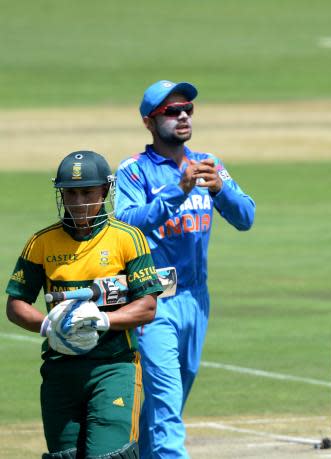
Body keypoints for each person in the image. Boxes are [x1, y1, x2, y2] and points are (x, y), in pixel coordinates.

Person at [115, 80, 256, 458]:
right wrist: (177, 191)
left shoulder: (209, 164)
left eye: (187, 110)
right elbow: (126, 222)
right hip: (153, 301)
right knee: (165, 403)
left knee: (169, 406)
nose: (182, 117)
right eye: (171, 112)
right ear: (149, 121)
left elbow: (246, 217)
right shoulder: (135, 171)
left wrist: (219, 190)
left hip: (197, 299)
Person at [6, 150, 162, 458]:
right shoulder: (41, 243)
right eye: (71, 193)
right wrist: (49, 324)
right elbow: (16, 304)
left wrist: (104, 321)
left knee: (110, 455)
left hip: (113, 367)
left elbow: (147, 306)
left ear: (105, 190)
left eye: (87, 192)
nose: (79, 201)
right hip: (60, 370)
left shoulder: (128, 239)